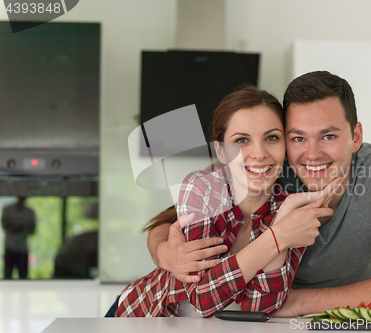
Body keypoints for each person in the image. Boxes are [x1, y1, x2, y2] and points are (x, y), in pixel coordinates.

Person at [147, 71, 371, 316]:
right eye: (297, 138)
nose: (312, 154)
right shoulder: (268, 169)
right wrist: (164, 251)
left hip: (331, 321)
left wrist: (298, 302)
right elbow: (171, 222)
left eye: (329, 136)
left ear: (356, 136)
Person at [112, 86, 339, 317]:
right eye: (241, 140)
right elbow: (202, 298)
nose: (259, 153)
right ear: (221, 151)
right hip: (138, 314)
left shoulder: (290, 209)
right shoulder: (202, 187)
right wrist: (277, 237)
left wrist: (283, 223)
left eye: (272, 137)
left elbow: (260, 309)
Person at [2, 196, 36, 279]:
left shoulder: (29, 212)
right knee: (7, 276)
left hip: (22, 249)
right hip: (10, 247)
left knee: (23, 276)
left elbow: (32, 230)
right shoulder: (8, 210)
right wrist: (22, 228)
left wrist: (16, 227)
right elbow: (4, 225)